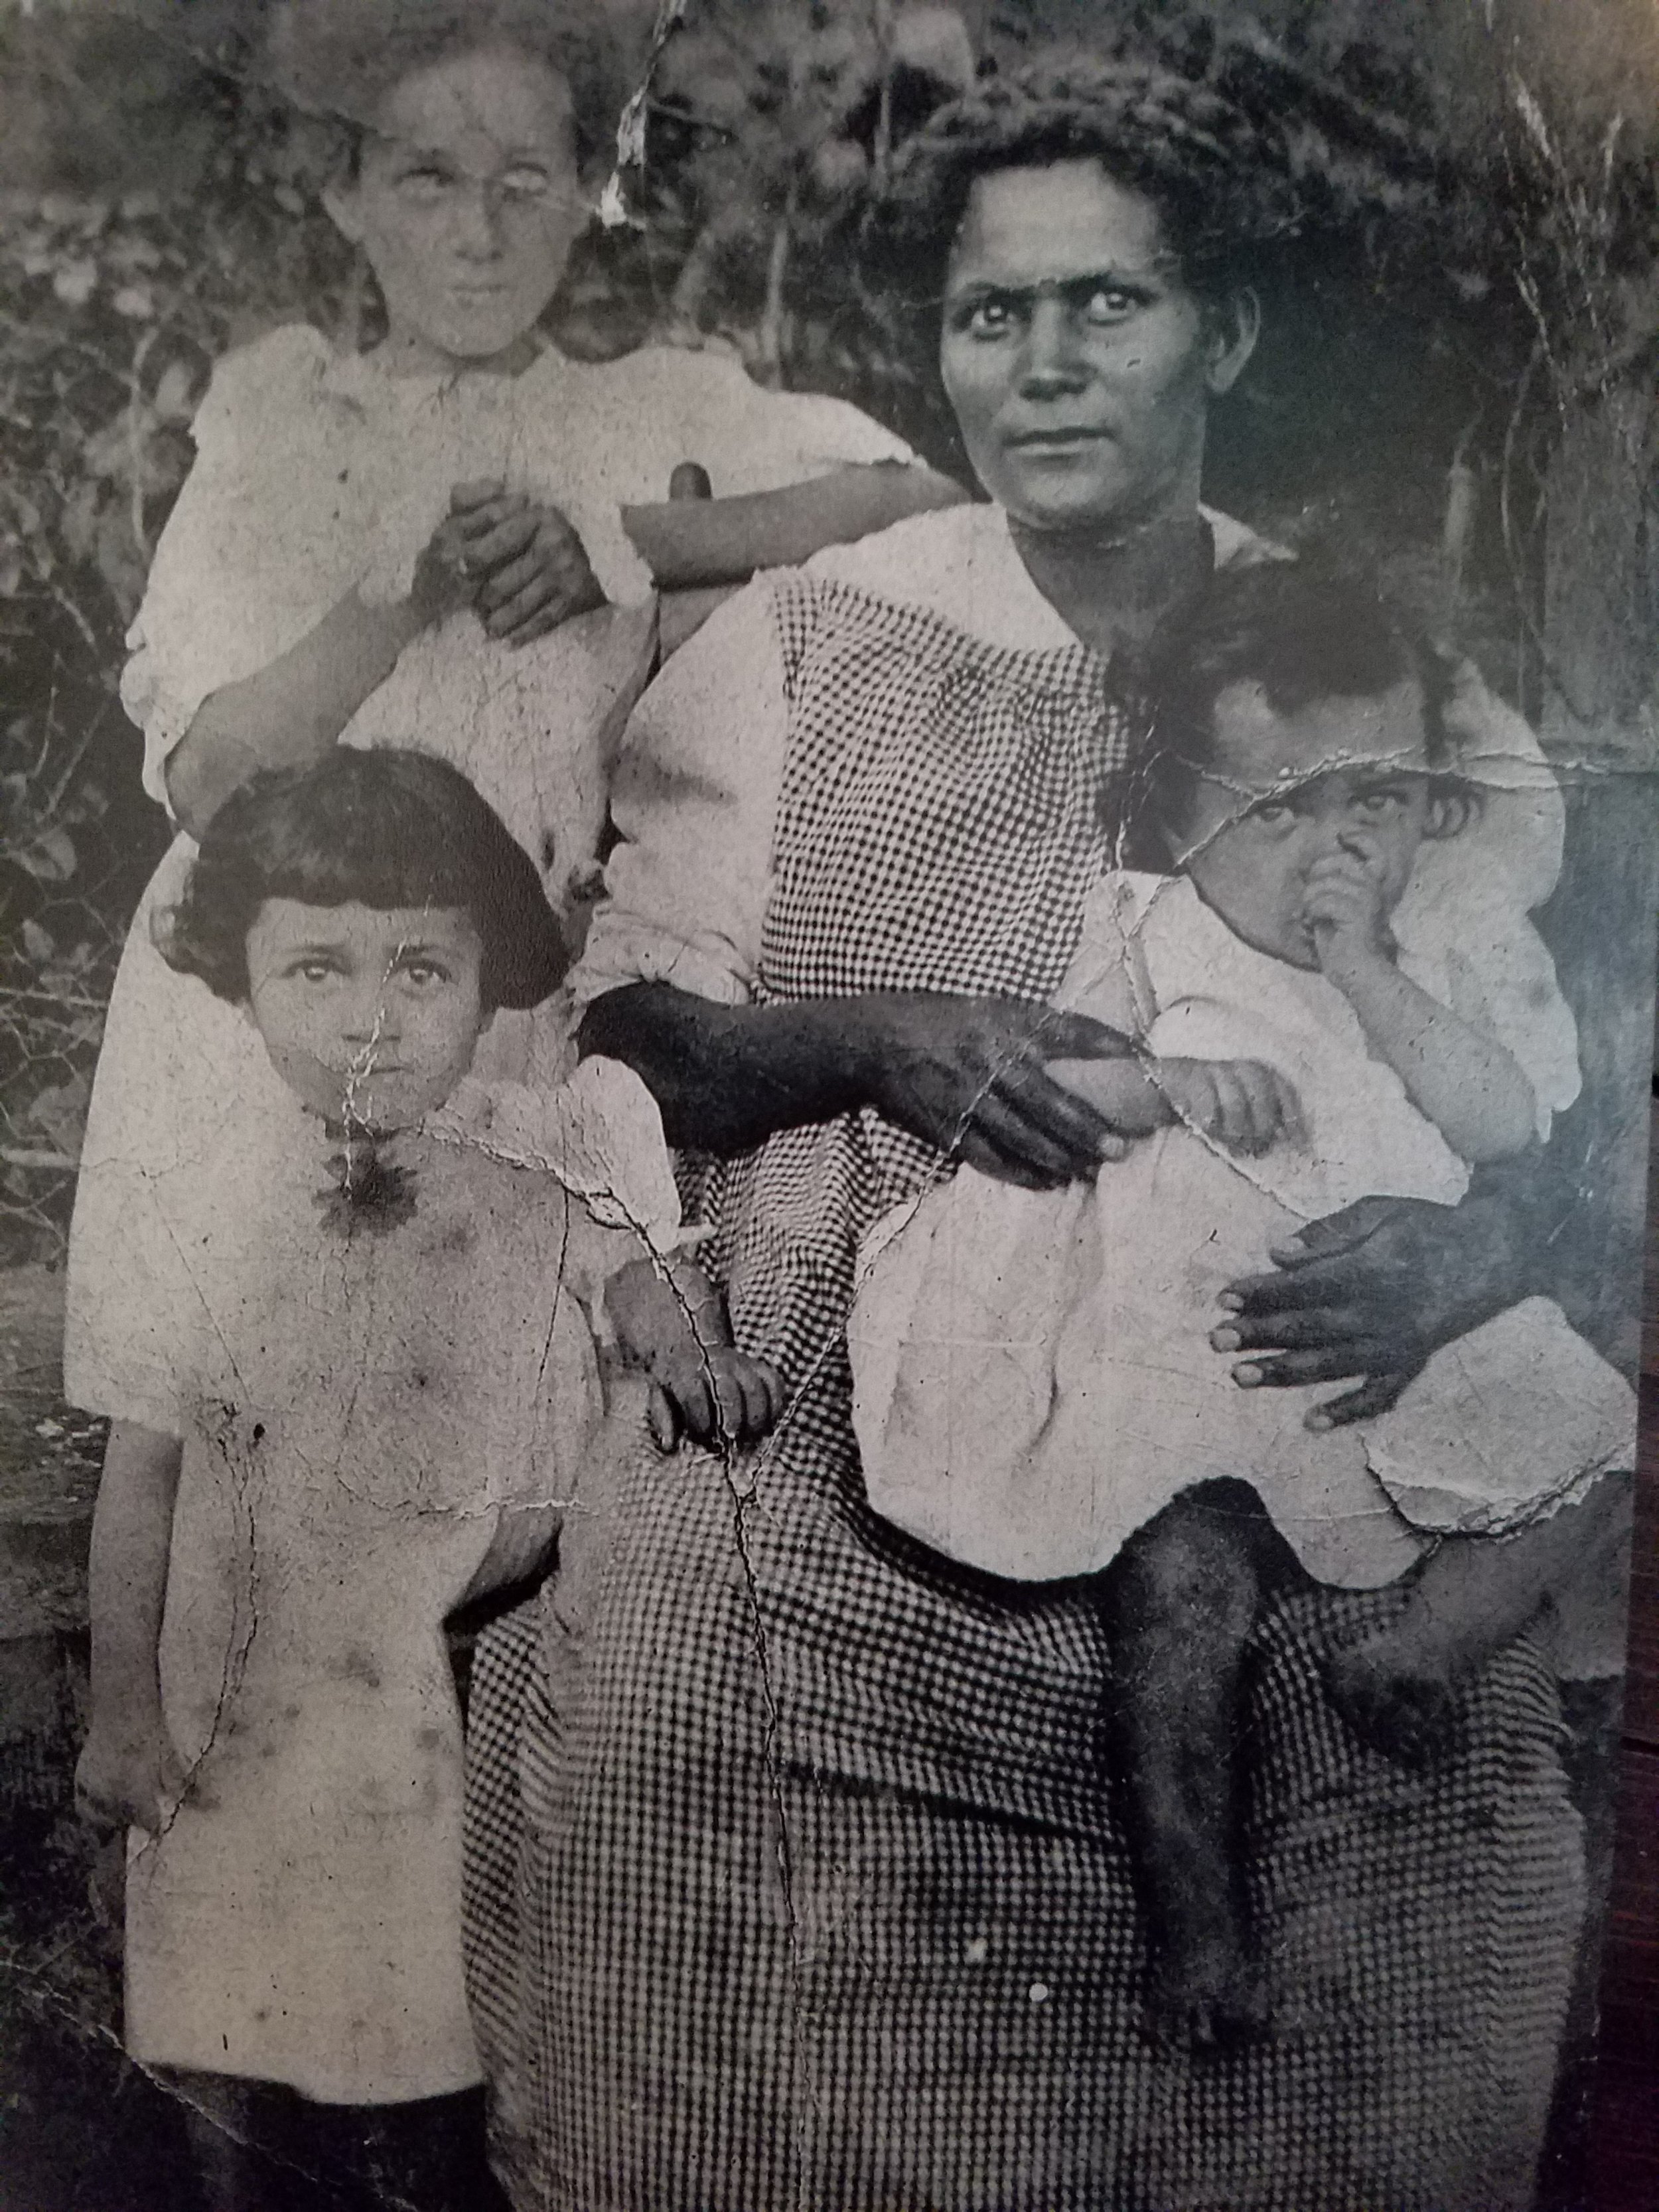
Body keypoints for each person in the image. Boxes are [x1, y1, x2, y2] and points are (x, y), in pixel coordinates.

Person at [480, 57, 1611, 2212]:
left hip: (1279, 1311)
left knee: (1390, 1796)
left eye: (1113, 304)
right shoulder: (830, 619)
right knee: (682, 1683)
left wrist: (1466, 1250)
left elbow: (1511, 1047)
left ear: (1229, 333)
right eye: (998, 315)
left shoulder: (1366, 651)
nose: (1050, 362)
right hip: (878, 1303)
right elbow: (633, 1012)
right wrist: (881, 1031)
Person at [65, 0, 950, 1429]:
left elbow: (915, 498)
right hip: (254, 999)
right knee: (195, 1435)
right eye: (425, 178)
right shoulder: (288, 427)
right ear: (348, 196)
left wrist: (626, 539)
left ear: (583, 196)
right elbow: (216, 776)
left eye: (523, 182)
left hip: (500, 1003)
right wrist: (399, 593)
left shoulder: (638, 409)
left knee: (465, 1443)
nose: (477, 231)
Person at [848, 562, 1635, 2045]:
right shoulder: (1152, 930)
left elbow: (1504, 1129)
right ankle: (1197, 1934)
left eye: (1377, 803)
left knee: (1596, 1437)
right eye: (1278, 811)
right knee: (1183, 1581)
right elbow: (1030, 1089)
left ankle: (1417, 1650)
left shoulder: (1433, 957)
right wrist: (1162, 1079)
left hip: (1383, 1341)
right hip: (1188, 1332)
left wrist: (1367, 971)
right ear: (1181, 811)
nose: (1333, 850)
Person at [70, 748, 778, 2212]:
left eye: (420, 970)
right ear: (242, 979)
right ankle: (231, 2180)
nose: (371, 1023)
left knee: (422, 1986)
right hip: (240, 1652)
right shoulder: (197, 1185)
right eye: (315, 970)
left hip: (435, 1644)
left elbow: (640, 1271)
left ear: (490, 977)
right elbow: (141, 1463)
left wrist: (681, 1340)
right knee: (219, 1960)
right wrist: (125, 1709)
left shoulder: (548, 1139)